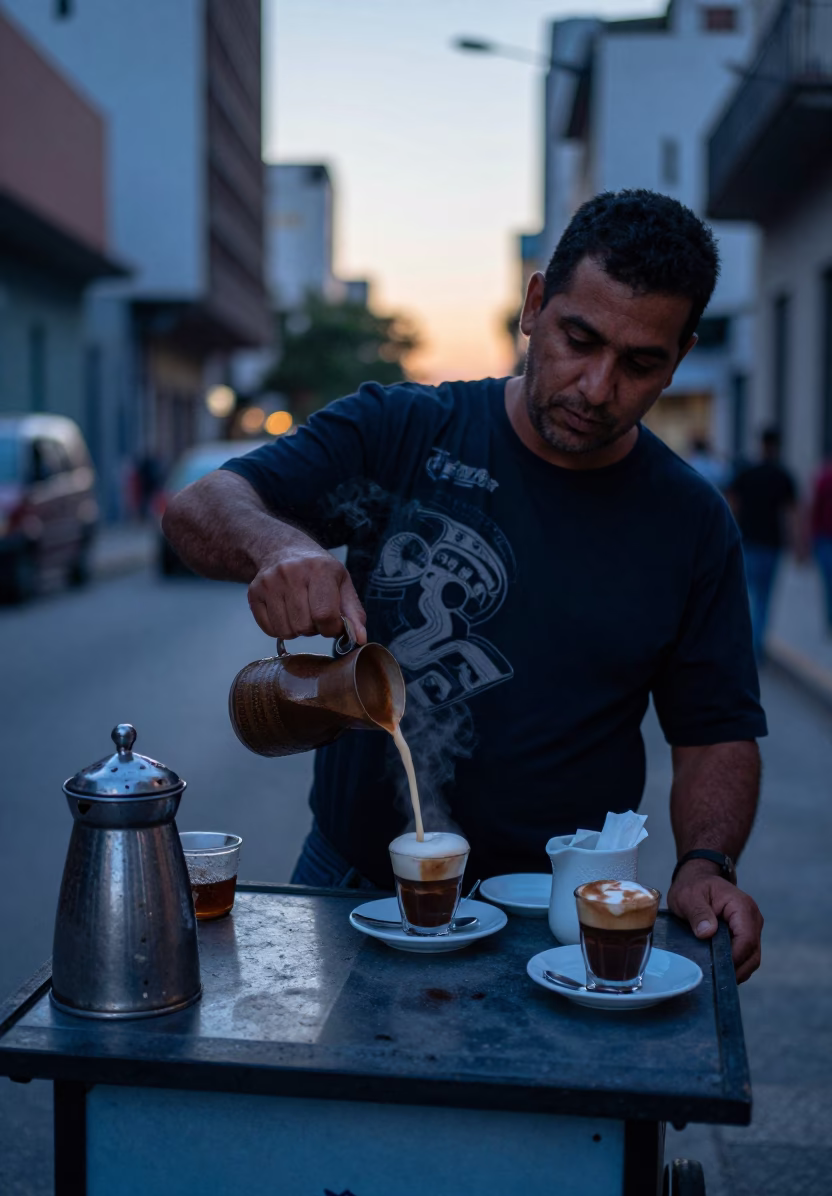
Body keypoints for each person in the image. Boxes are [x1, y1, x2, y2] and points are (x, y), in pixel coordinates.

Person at [163, 189, 766, 982]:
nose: (595, 385)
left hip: (553, 916)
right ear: (535, 304)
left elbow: (716, 730)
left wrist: (707, 864)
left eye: (640, 363)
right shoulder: (403, 431)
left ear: (680, 356)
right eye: (579, 339)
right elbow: (198, 508)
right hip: (351, 889)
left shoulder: (689, 521)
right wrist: (275, 544)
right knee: (319, 1107)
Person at [727, 428, 799, 659]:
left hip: (747, 541)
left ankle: (742, 640)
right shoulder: (783, 476)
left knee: (745, 594)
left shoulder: (748, 473)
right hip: (771, 544)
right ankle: (756, 645)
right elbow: (790, 514)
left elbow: (731, 504)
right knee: (764, 597)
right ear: (777, 446)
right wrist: (797, 544)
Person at [810, 458, 832, 633]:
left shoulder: (824, 476)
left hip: (824, 538)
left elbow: (814, 508)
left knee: (829, 584)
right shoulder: (824, 476)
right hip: (825, 538)